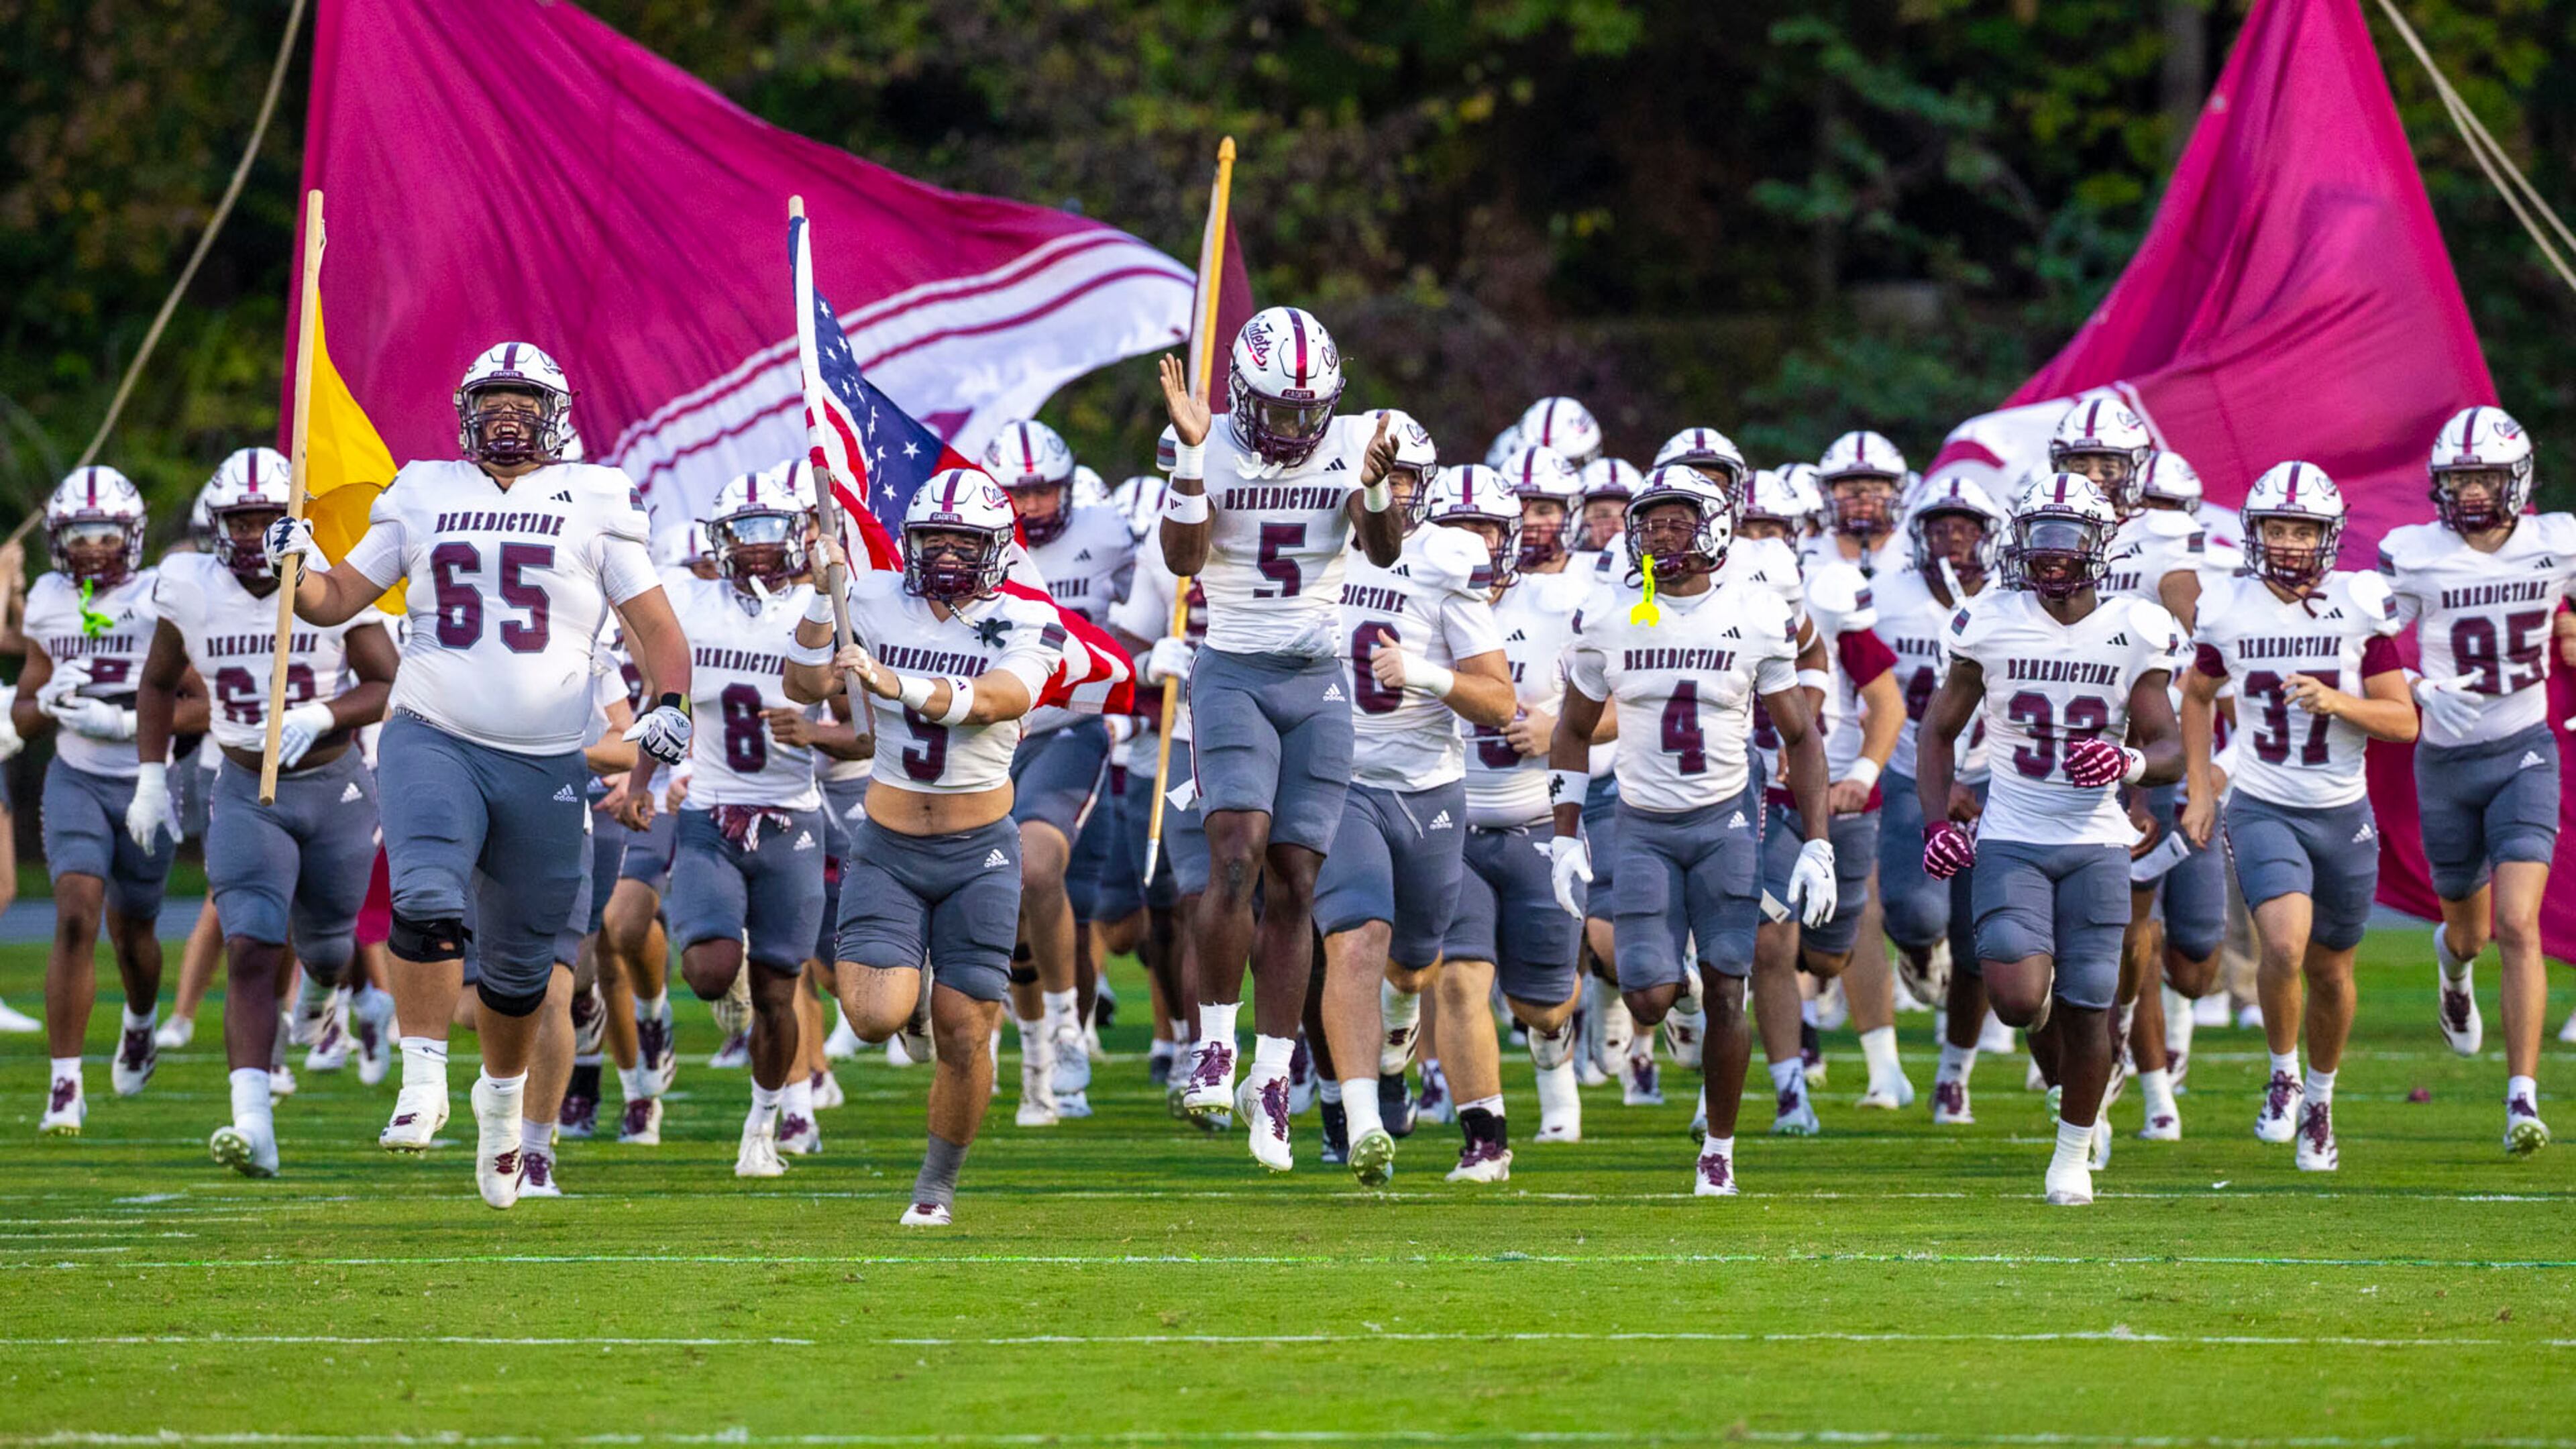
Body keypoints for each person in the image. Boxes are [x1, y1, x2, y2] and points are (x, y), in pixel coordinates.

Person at [262, 341, 694, 1208]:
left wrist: (671, 702)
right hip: (434, 731)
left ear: (555, 413)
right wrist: (296, 562)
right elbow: (334, 603)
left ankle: (500, 1109)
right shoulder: (424, 488)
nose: (506, 414)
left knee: (525, 974)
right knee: (425, 894)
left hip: (546, 759)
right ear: (465, 411)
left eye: (523, 400)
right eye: (491, 399)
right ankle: (421, 1081)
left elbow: (658, 630)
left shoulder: (598, 498)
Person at [784, 468, 1067, 1226]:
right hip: (890, 842)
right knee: (874, 1017)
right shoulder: (873, 597)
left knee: (966, 1028)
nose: (945, 553)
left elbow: (1001, 700)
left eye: (963, 539)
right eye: (933, 537)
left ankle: (935, 1188)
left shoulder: (1028, 616)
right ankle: (906, 1004)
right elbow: (803, 682)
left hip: (981, 849)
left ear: (998, 547)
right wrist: (822, 591)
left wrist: (895, 683)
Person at [1549, 466, 1837, 1196]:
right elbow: (1573, 730)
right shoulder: (1610, 615)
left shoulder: (1755, 611)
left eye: (1677, 522)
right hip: (1642, 825)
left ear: (1714, 529)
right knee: (1647, 995)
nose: (1659, 535)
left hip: (1724, 825)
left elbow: (1800, 738)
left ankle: (1719, 1147)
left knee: (1727, 989)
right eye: (1650, 523)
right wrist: (1563, 833)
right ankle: (1667, 1010)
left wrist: (1818, 841)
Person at [1152, 308, 1407, 1130]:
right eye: (1281, 410)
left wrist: (1371, 483)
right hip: (1233, 670)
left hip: (1315, 677)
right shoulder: (1207, 438)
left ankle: (1272, 1072)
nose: (1297, 428)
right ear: (1240, 392)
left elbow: (1384, 549)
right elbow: (1184, 561)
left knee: (1297, 879)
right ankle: (1216, 1044)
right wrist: (1192, 453)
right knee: (1235, 849)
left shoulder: (1358, 437)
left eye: (1309, 410)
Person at [1915, 472, 2184, 1205]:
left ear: (2100, 547)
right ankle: (2069, 1090)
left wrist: (2127, 760)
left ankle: (2071, 1154)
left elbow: (2170, 748)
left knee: (2091, 1002)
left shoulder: (2136, 626)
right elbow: (1938, 733)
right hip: (2013, 833)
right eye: (2041, 536)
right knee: (2018, 997)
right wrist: (1939, 823)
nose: (2054, 553)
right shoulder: (1990, 619)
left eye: (2069, 537)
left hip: (2096, 839)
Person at [127, 447, 394, 1174]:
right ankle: (254, 1124)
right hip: (246, 788)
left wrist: (324, 711)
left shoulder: (330, 579)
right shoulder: (187, 586)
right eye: (238, 520)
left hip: (334, 784)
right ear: (214, 525)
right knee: (249, 946)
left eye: (265, 518)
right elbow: (156, 684)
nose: (250, 534)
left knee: (333, 949)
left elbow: (390, 682)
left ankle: (321, 999)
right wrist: (152, 776)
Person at [2181, 463, 2414, 1171]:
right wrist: (2199, 787)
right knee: (2282, 946)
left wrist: (2339, 702)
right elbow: (2196, 695)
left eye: (2301, 529)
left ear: (2327, 536)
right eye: (2276, 528)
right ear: (2254, 535)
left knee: (2333, 970)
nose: (2286, 542)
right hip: (2262, 802)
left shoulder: (2359, 605)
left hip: (2342, 810)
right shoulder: (2229, 607)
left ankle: (2320, 1099)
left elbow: (2403, 721)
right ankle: (2282, 1076)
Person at [1311, 442, 1514, 1183]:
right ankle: (1366, 1121)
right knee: (1356, 939)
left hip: (1428, 786)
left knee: (1418, 964)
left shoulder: (1442, 558)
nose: (1383, 492)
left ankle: (1399, 1031)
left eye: (1398, 478)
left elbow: (1499, 701)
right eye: (1371, 476)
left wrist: (1425, 673)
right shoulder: (1313, 547)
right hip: (1341, 782)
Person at [2380, 405, 2576, 1155]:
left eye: (2484, 477)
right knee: (2470, 933)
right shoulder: (2414, 554)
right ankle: (2452, 971)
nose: (2469, 493)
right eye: (2459, 479)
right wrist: (2410, 685)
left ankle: (2521, 1098)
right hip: (2446, 763)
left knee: (2519, 924)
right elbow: (2366, 645)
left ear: (2517, 479)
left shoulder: (2555, 541)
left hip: (2525, 749)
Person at [665, 468, 835, 1177]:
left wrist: (817, 733)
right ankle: (722, 967)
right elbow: (657, 686)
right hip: (710, 805)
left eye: (773, 531)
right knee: (709, 972)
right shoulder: (686, 597)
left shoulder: (829, 604)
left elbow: (863, 728)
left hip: (794, 815)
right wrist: (650, 775)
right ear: (717, 538)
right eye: (744, 532)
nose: (759, 548)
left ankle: (764, 1126)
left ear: (802, 534)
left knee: (778, 989)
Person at [20, 467, 193, 1134]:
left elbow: (201, 702)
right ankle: (65, 1083)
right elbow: (31, 699)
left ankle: (142, 1023)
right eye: (78, 535)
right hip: (76, 775)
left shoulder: (162, 597)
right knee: (75, 912)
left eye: (105, 533)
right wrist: (45, 702)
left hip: (147, 775)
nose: (91, 547)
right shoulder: (47, 599)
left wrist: (129, 724)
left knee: (135, 931)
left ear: (134, 535)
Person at [1436, 454, 1597, 1167]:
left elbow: (1623, 695)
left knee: (1544, 1005)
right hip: (1446, 822)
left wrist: (1556, 724)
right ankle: (1485, 1142)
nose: (1472, 541)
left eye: (1484, 526)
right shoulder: (1406, 601)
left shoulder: (1563, 604)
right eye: (1457, 525)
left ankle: (1555, 1047)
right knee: (1458, 978)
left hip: (1538, 819)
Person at [1735, 470, 1904, 1134]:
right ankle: (1789, 1091)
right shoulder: (1693, 596)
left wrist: (1861, 770)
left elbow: (1883, 698)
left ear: (1798, 533)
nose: (1755, 542)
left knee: (1827, 952)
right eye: (1745, 528)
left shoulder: (1826, 593)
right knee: (1768, 943)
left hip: (1825, 789)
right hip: (1739, 792)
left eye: (1770, 529)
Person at [981, 418, 1136, 1124]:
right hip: (987, 733)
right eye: (1020, 494)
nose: (1035, 508)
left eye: (1045, 491)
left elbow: (1166, 593)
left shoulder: (1108, 532)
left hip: (1071, 727)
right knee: (998, 894)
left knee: (1036, 867)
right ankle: (1036, 1054)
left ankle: (1069, 1025)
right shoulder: (970, 542)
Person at [1867, 474, 2010, 1124]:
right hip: (1911, 770)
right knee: (1917, 916)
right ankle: (1922, 952)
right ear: (1918, 535)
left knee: (1980, 944)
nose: (1953, 538)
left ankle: (1955, 1072)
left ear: (1991, 536)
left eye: (1967, 527)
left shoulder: (2015, 602)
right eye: (1940, 526)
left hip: (1998, 780)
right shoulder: (1884, 597)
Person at [1810, 430, 1911, 578]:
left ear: (1896, 492)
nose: (1864, 499)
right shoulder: (1807, 558)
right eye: (1852, 491)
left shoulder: (1915, 557)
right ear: (1828, 493)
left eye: (1876, 490)